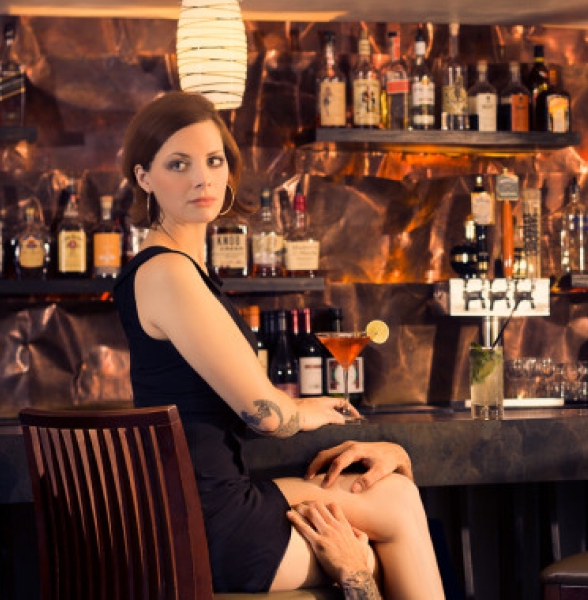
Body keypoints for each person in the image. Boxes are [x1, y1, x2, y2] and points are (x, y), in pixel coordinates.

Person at [114, 91, 445, 599]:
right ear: (143, 177)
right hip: (209, 526)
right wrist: (302, 413)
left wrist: (299, 410)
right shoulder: (169, 272)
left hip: (192, 508)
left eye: (214, 160)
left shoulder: (173, 268)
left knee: (392, 501)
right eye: (178, 164)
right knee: (391, 516)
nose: (202, 178)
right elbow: (266, 416)